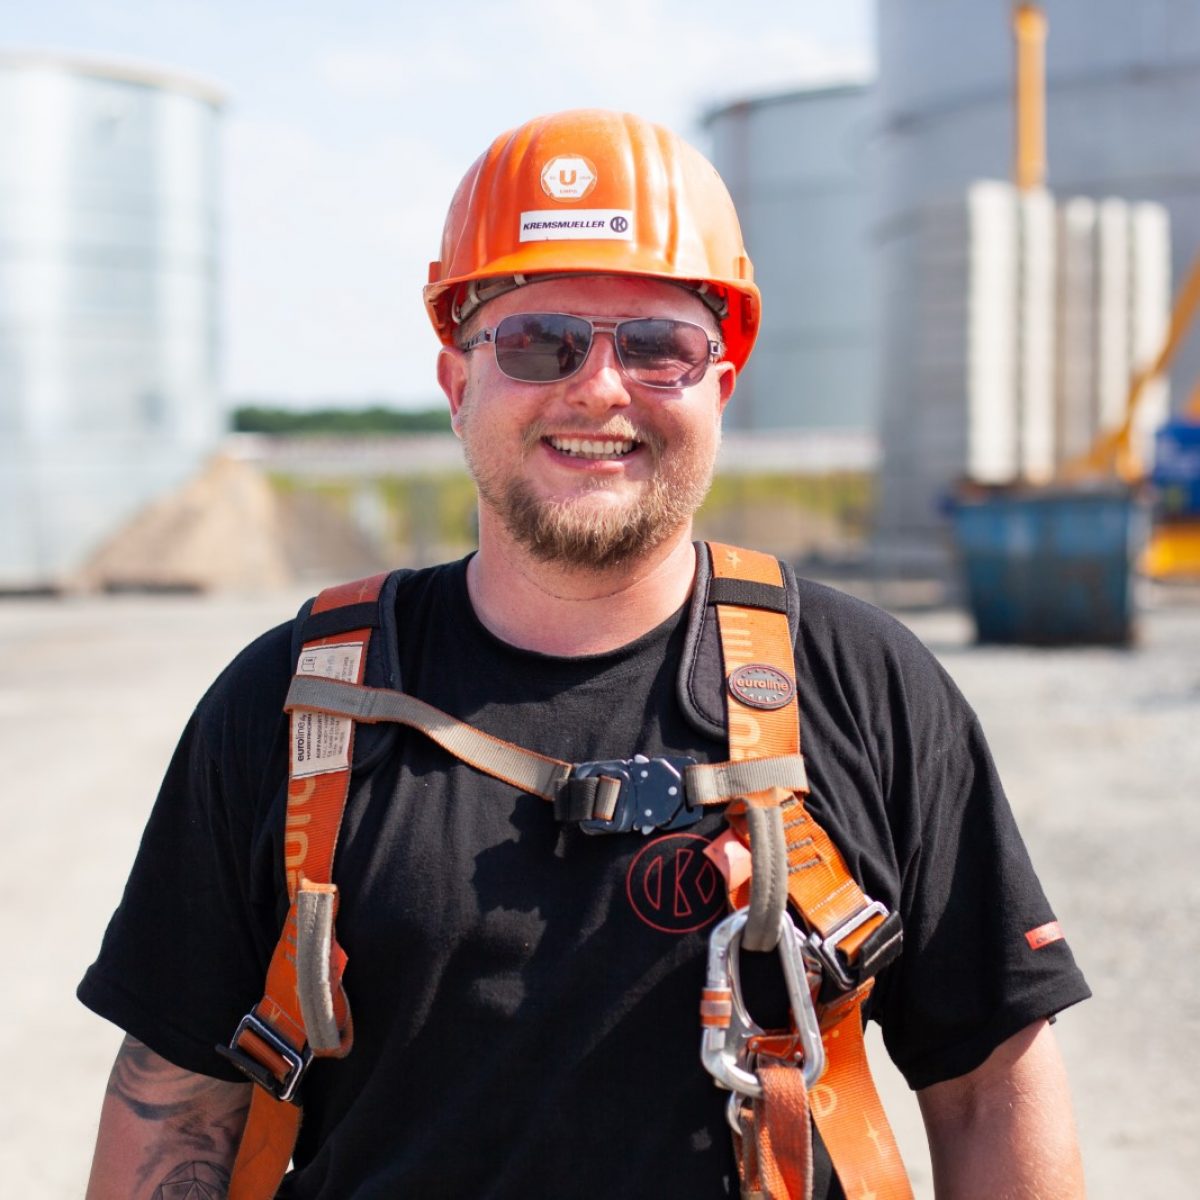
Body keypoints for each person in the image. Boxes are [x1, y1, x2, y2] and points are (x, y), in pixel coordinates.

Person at [80, 109, 1089, 1199]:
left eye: (660, 346)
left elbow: (991, 1087)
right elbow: (175, 1100)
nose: (601, 387)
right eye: (538, 342)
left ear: (723, 386)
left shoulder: (861, 684)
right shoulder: (294, 705)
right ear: (457, 382)